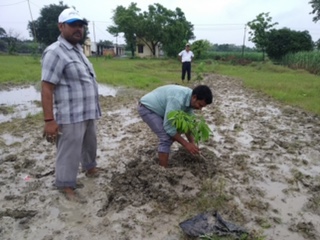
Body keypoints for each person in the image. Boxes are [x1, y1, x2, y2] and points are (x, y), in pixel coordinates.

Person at [41, 8, 101, 202]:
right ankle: (66, 185)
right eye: (73, 25)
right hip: (70, 114)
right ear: (61, 26)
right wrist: (49, 120)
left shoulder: (78, 51)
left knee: (89, 143)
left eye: (80, 25)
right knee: (69, 151)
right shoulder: (55, 52)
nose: (78, 29)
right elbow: (47, 87)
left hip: (88, 111)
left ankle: (90, 168)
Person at [138, 84, 213, 168]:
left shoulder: (190, 99)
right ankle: (162, 171)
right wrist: (186, 144)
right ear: (194, 97)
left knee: (177, 132)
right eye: (200, 105)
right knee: (166, 137)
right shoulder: (177, 99)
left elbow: (187, 125)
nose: (200, 109)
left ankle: (163, 152)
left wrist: (192, 143)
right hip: (148, 108)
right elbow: (169, 127)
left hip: (162, 108)